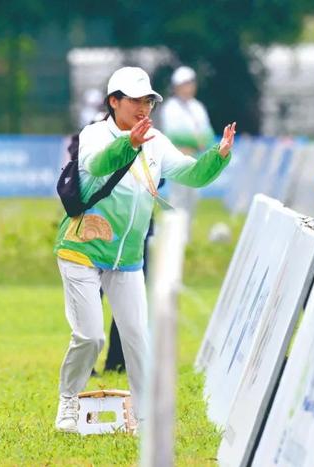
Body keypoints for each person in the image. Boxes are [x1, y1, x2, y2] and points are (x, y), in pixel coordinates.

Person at [53, 66, 236, 433]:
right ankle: (68, 402)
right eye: (135, 100)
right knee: (91, 336)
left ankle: (144, 417)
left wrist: (218, 156)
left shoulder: (156, 140)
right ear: (113, 102)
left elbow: (191, 174)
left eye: (148, 100)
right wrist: (129, 145)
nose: (144, 107)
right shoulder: (93, 134)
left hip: (128, 260)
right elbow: (97, 165)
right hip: (81, 250)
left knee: (138, 338)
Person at [159, 66, 215, 222]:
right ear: (176, 87)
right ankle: (173, 240)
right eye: (184, 84)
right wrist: (195, 140)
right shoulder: (171, 107)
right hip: (178, 160)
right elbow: (173, 134)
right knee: (178, 199)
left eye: (190, 84)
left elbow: (208, 134)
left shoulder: (198, 107)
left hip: (196, 160)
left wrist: (198, 142)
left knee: (193, 200)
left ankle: (186, 240)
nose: (188, 88)